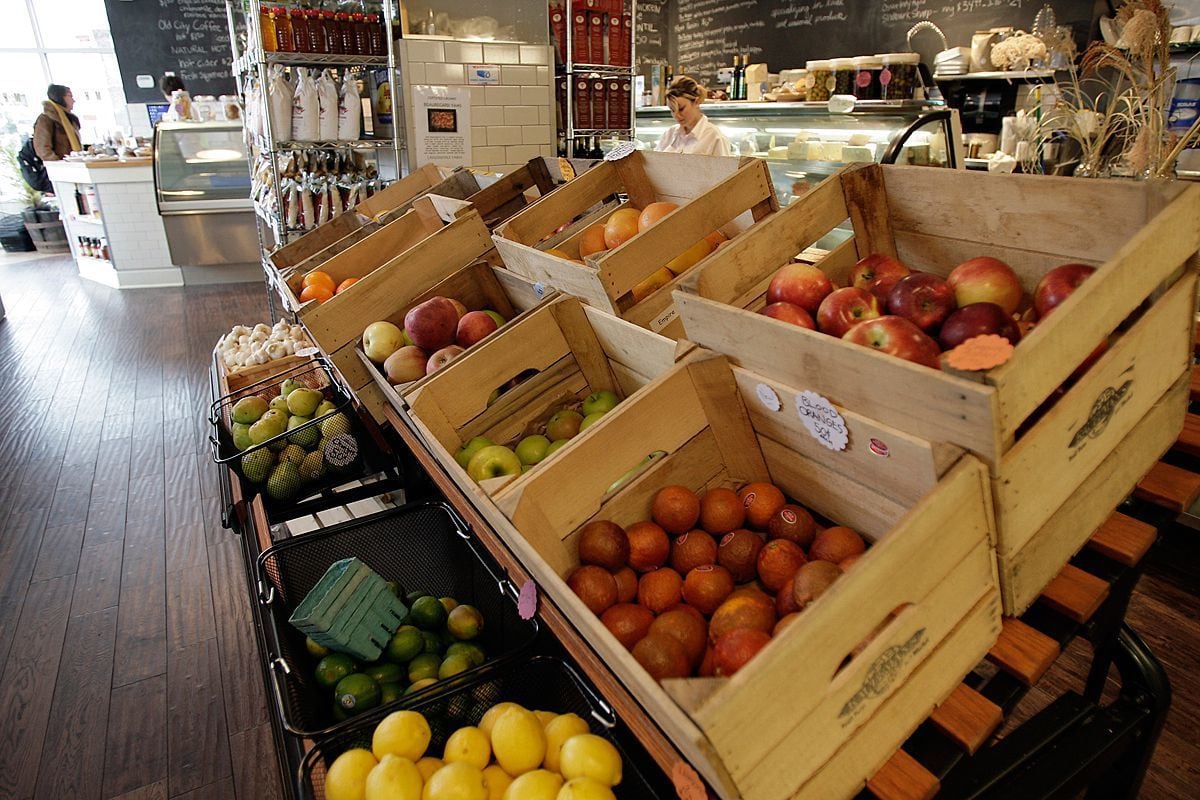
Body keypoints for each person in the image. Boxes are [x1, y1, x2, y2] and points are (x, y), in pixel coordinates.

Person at [655, 76, 730, 156]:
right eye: (672, 110)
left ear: (696, 102)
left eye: (681, 109)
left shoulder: (715, 138)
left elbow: (725, 168)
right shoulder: (670, 134)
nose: (676, 115)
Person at [33, 84, 81, 162]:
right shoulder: (46, 119)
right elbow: (43, 149)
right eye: (70, 96)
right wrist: (59, 164)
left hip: (75, 165)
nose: (73, 100)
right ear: (60, 97)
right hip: (61, 169)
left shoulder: (69, 118)